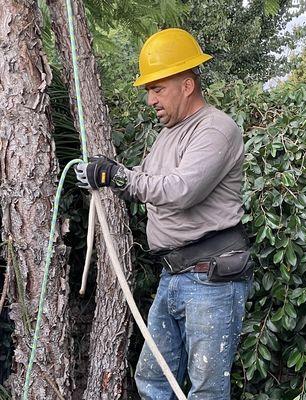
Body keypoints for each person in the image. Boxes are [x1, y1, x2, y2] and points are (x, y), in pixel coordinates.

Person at [75, 28, 253, 400]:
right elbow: (145, 183)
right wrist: (102, 177)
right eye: (148, 90)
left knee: (206, 390)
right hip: (173, 275)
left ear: (187, 85)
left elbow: (180, 191)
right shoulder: (167, 135)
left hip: (212, 278)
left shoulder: (215, 129)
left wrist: (118, 175)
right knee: (153, 380)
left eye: (158, 88)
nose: (150, 99)